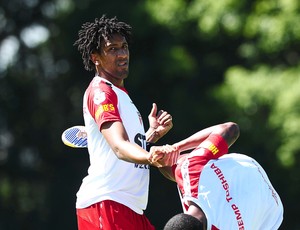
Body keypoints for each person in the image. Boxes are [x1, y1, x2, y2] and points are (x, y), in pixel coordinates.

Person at [73, 15, 175, 230]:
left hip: (130, 207)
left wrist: (151, 136)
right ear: (95, 58)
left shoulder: (121, 94)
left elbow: (125, 147)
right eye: (112, 49)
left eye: (124, 47)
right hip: (106, 203)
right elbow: (119, 147)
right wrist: (151, 157)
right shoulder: (101, 91)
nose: (122, 54)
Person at [149, 122, 284, 230]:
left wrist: (165, 151)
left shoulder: (190, 169)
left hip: (270, 208)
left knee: (182, 164)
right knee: (183, 164)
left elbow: (230, 128)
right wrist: (174, 148)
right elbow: (230, 128)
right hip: (250, 175)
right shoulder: (191, 169)